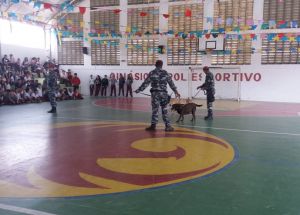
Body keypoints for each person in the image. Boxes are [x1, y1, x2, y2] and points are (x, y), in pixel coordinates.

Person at [135, 60, 180, 132]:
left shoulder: (152, 73)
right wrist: (176, 92)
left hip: (155, 94)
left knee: (155, 110)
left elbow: (146, 83)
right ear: (162, 65)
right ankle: (168, 126)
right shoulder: (165, 73)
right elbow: (171, 83)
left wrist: (139, 90)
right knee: (164, 110)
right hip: (164, 95)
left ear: (155, 65)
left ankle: (153, 126)